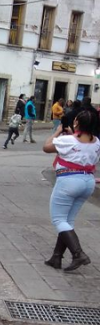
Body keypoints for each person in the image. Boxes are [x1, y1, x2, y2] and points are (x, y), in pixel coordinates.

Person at [41, 111, 100, 272]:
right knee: (68, 220)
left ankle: (78, 253)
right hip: (87, 182)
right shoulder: (96, 142)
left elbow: (46, 147)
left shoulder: (67, 140)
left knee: (59, 220)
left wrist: (58, 132)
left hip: (69, 181)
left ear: (76, 123)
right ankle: (57, 257)